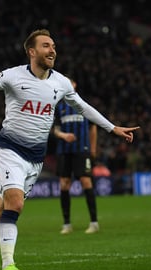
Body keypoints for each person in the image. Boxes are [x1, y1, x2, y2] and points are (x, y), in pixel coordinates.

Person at [0, 29, 139, 270]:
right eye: (46, 46)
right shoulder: (13, 75)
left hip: (36, 158)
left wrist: (113, 127)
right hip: (10, 150)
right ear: (32, 51)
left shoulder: (60, 82)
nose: (53, 50)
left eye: (53, 46)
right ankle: (8, 266)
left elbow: (83, 107)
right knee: (15, 205)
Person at [53, 79, 99, 235]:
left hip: (82, 149)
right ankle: (67, 224)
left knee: (86, 181)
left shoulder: (83, 105)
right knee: (64, 183)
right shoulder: (59, 107)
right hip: (64, 150)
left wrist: (92, 149)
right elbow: (55, 130)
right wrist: (63, 135)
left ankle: (94, 222)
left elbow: (93, 128)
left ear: (74, 85)